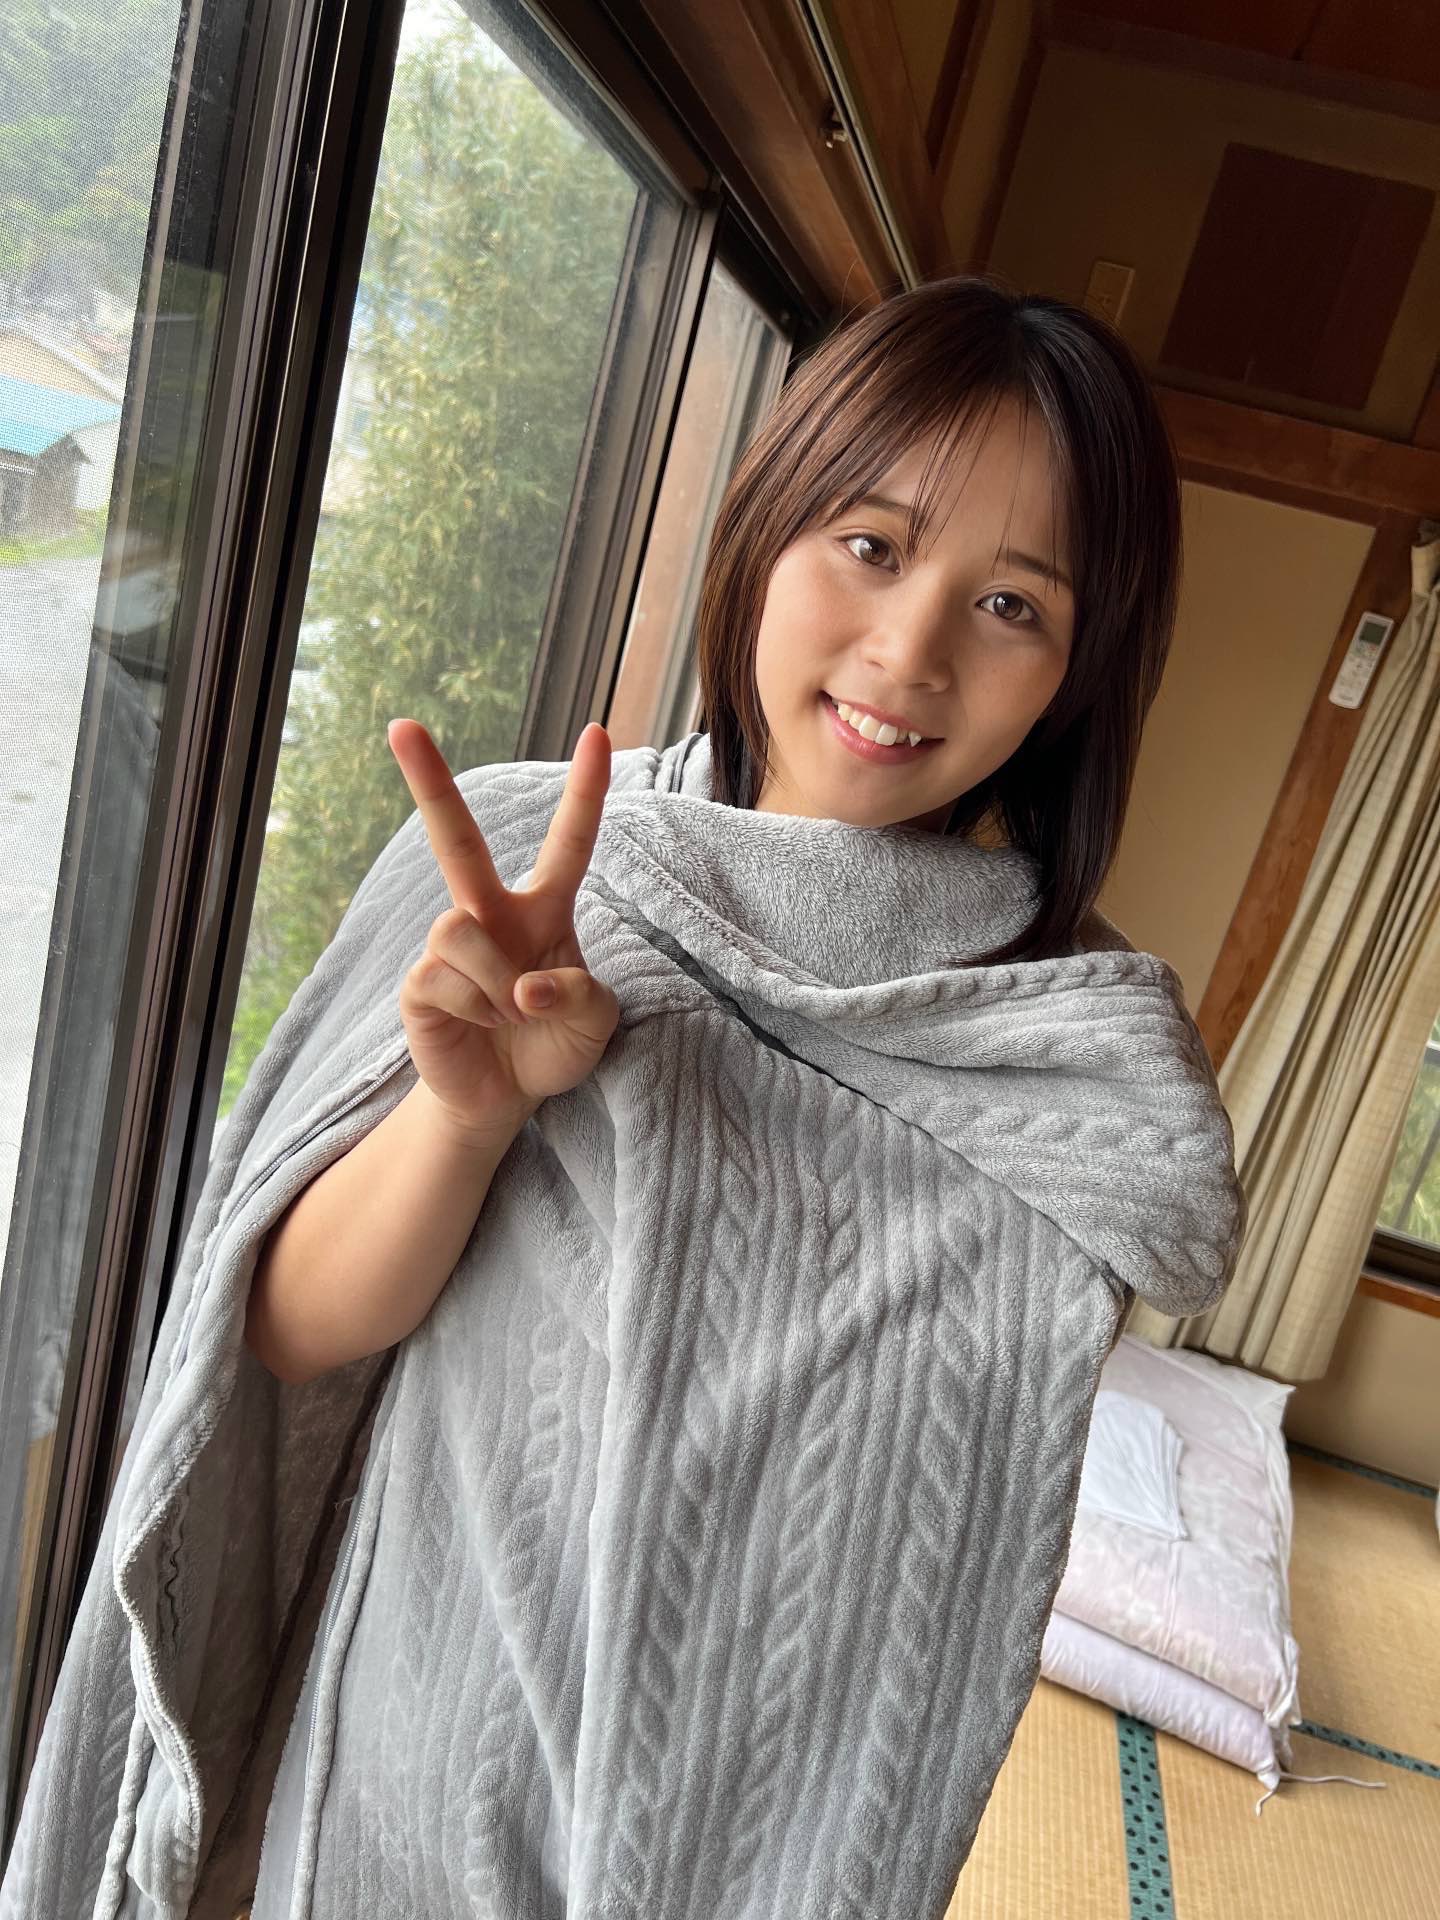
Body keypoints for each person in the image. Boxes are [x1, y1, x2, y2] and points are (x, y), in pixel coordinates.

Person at [0, 272, 1244, 1920]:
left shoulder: (1063, 1062)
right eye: (870, 545)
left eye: (1012, 605)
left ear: (1078, 671)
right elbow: (285, 1338)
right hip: (389, 1789)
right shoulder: (529, 864)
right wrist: (466, 1112)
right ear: (770, 527)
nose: (909, 651)